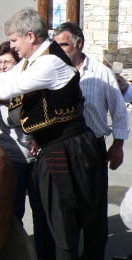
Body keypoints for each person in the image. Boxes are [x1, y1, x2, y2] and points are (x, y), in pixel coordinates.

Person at [0, 8, 105, 260]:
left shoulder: (49, 62)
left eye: (14, 40)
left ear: (30, 36)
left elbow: (10, 86)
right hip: (54, 147)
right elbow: (4, 79)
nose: (12, 46)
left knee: (65, 222)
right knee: (55, 219)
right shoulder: (35, 60)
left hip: (69, 148)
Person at [53, 22, 129, 259]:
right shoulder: (52, 72)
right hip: (61, 148)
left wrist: (117, 145)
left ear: (79, 43)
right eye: (55, 45)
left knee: (95, 210)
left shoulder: (101, 72)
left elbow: (119, 110)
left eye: (63, 45)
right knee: (64, 209)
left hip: (93, 149)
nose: (58, 50)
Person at [0, 41, 46, 259]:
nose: (3, 66)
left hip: (36, 158)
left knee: (41, 212)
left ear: (20, 64)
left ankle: (42, 254)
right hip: (10, 158)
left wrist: (38, 136)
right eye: (0, 62)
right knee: (14, 212)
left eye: (8, 62)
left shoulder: (31, 84)